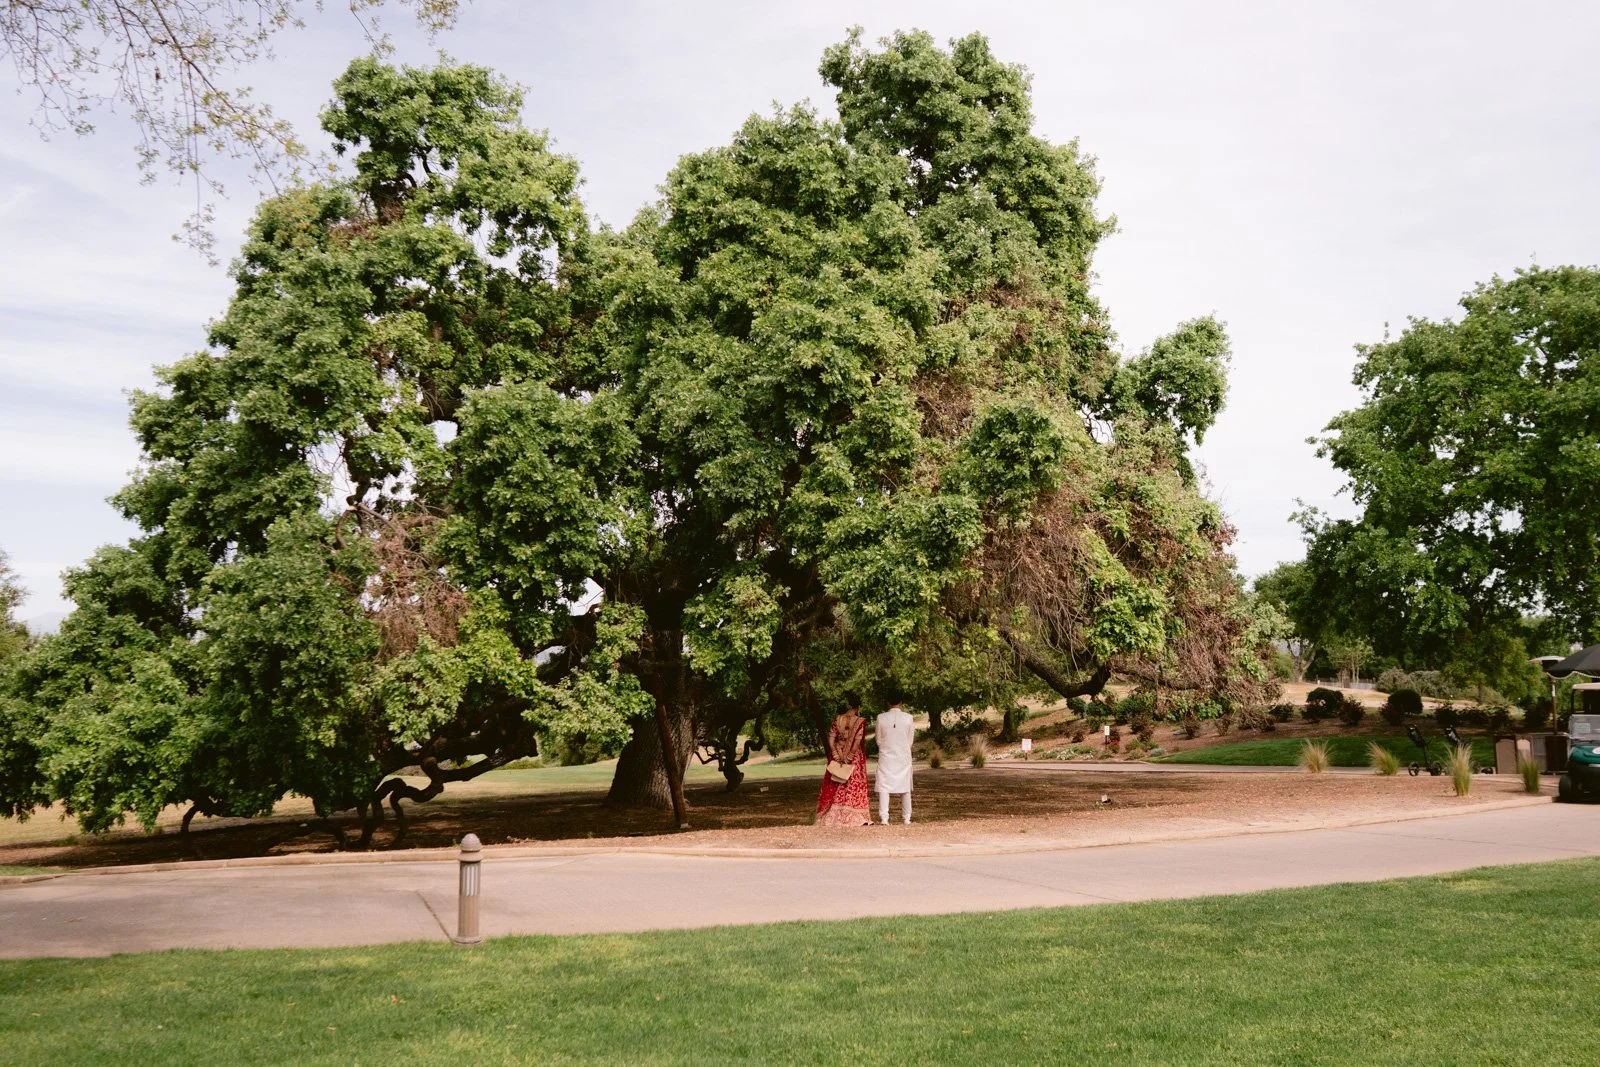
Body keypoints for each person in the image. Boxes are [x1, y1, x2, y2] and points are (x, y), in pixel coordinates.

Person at [815, 695, 871, 827]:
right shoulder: (860, 721)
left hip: (838, 753)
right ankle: (854, 817)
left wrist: (835, 754)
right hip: (854, 757)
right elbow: (857, 741)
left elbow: (831, 739)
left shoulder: (837, 719)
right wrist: (850, 756)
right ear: (857, 707)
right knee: (852, 784)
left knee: (838, 783)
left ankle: (832, 817)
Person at [874, 697, 914, 824]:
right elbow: (910, 740)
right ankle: (906, 817)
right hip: (903, 755)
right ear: (901, 702)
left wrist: (887, 748)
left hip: (886, 755)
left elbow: (878, 739)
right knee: (905, 786)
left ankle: (884, 818)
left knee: (884, 786)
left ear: (887, 702)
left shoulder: (881, 717)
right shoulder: (908, 717)